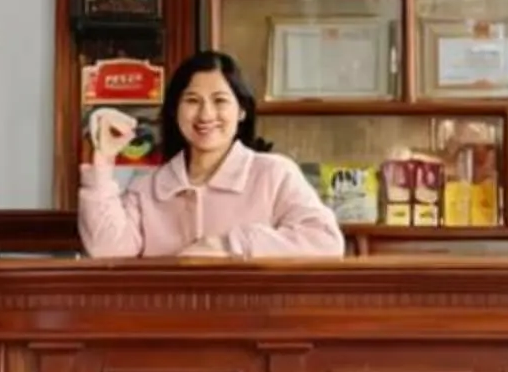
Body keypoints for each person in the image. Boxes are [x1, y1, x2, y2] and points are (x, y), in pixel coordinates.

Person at [79, 50, 346, 258]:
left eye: (220, 101)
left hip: (253, 324)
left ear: (241, 110)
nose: (206, 115)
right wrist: (102, 163)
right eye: (192, 101)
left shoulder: (274, 174)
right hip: (167, 323)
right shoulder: (146, 189)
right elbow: (107, 252)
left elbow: (325, 241)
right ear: (175, 110)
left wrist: (227, 245)